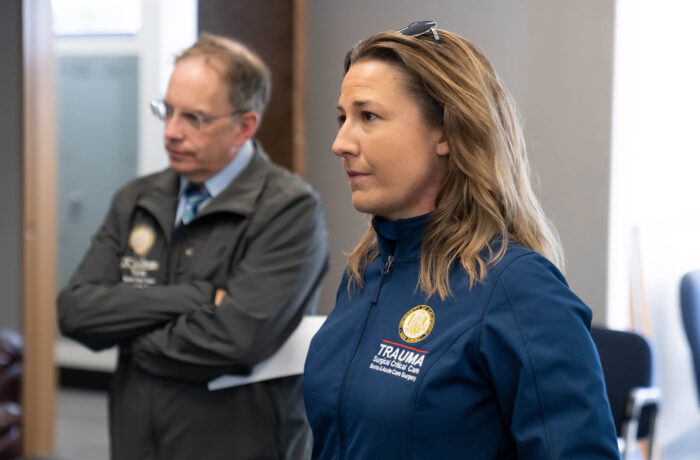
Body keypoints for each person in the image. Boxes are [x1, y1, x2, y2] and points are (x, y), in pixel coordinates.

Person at [303, 21, 620, 459]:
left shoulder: (519, 289)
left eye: (368, 116)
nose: (340, 142)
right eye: (343, 118)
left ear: (447, 133)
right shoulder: (367, 272)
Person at [58, 33, 329, 460]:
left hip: (238, 443)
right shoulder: (137, 199)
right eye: (166, 111)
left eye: (194, 118)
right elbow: (75, 312)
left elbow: (235, 341)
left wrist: (127, 333)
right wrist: (196, 296)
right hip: (137, 440)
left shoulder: (289, 210)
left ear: (245, 126)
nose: (171, 132)